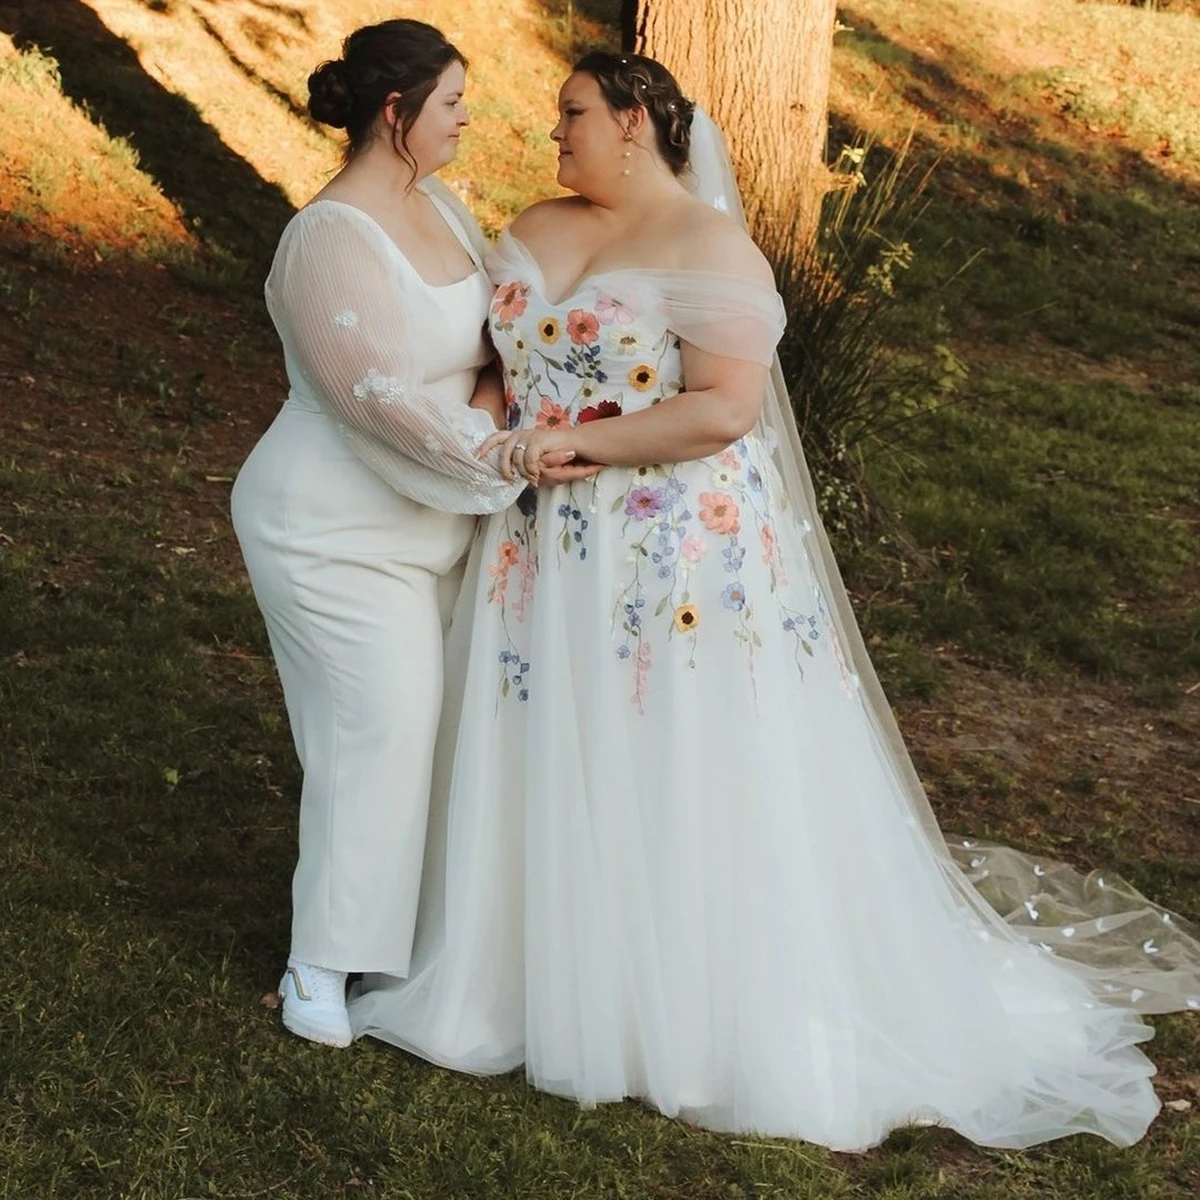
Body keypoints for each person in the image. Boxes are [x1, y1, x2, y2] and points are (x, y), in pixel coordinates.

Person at [349, 52, 1200, 1150]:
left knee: (669, 746)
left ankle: (683, 1008)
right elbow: (498, 362)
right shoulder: (534, 226)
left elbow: (725, 409)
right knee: (546, 737)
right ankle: (518, 975)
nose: (550, 129)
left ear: (637, 123)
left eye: (572, 114)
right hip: (542, 540)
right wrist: (488, 429)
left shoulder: (712, 249)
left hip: (668, 548)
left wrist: (576, 442)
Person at [230, 19, 586, 1050]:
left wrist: (497, 417)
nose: (469, 117)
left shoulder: (438, 204)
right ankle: (319, 964)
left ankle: (402, 937)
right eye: (452, 103)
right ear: (397, 114)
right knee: (380, 724)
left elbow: (491, 340)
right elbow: (374, 394)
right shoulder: (327, 239)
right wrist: (508, 457)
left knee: (428, 726)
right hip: (329, 529)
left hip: (436, 513)